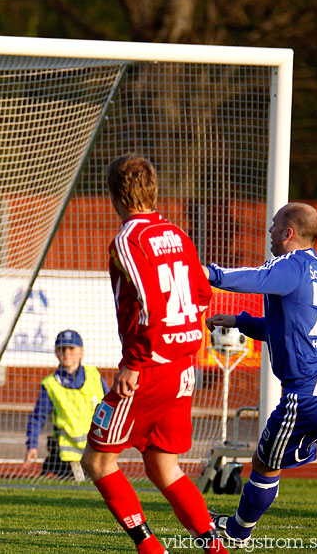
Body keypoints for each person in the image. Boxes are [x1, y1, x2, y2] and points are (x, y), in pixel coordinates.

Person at [80, 154, 229, 554]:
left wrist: (135, 362)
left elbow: (149, 303)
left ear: (115, 194)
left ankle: (150, 549)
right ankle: (215, 547)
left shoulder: (128, 240)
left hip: (149, 368)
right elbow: (202, 293)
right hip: (183, 366)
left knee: (96, 462)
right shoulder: (178, 234)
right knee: (164, 466)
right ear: (153, 189)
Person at [204, 202, 317, 548]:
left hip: (304, 396)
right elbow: (290, 329)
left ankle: (237, 533)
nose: (270, 232)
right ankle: (237, 529)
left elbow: (255, 278)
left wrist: (209, 274)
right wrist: (240, 321)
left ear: (289, 233)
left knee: (263, 464)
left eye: (274, 226)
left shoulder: (289, 264)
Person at [23, 330, 109, 481]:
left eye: (71, 348)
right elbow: (38, 417)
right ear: (56, 352)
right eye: (62, 349)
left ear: (81, 352)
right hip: (68, 455)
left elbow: (110, 405)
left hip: (97, 448)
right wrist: (32, 445)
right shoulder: (50, 384)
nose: (67, 353)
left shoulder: (94, 374)